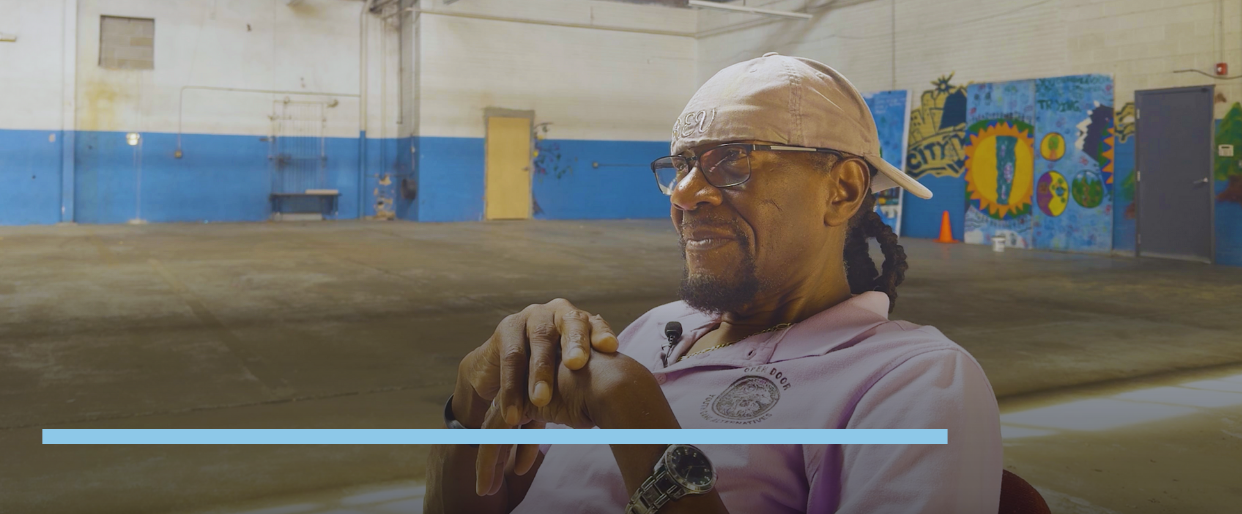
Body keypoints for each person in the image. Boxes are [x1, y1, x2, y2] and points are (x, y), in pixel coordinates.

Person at [425, 54, 1003, 514]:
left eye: (732, 162)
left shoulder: (912, 381)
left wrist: (634, 413)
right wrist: (469, 402)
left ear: (843, 190)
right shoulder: (652, 331)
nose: (684, 194)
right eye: (681, 166)